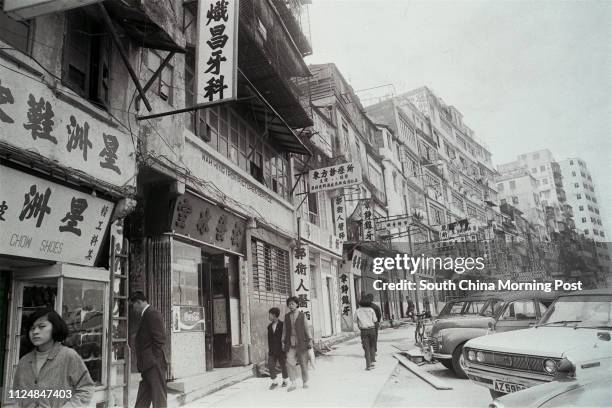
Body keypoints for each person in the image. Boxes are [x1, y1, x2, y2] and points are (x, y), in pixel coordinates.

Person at [10, 308, 94, 408]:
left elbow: (86, 388)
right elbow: (16, 395)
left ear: (55, 328)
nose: (35, 332)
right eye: (32, 328)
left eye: (42, 326)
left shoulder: (69, 356)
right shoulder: (24, 361)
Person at [130, 291, 168, 408]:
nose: (133, 309)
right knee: (143, 397)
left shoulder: (152, 313)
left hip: (153, 364)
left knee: (158, 398)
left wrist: (152, 359)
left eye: (133, 305)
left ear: (139, 302)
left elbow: (160, 339)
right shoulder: (147, 314)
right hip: (147, 365)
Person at [281, 296, 312, 391]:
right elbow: (284, 330)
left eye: (292, 304)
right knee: (290, 362)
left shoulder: (302, 315)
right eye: (289, 304)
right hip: (290, 342)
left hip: (301, 342)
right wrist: (283, 341)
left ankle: (305, 382)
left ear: (297, 304)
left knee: (303, 362)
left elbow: (307, 328)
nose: (290, 306)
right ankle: (293, 382)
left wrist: (310, 339)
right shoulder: (286, 316)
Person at [267, 307, 288, 389]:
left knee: (283, 365)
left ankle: (285, 380)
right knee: (270, 364)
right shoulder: (269, 327)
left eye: (270, 315)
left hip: (281, 349)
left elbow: (285, 337)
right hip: (272, 350)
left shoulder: (282, 325)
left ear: (274, 315)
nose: (269, 316)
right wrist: (269, 350)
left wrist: (285, 347)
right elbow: (269, 340)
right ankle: (274, 382)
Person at [354, 297, 378, 370]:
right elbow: (375, 320)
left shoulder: (357, 311)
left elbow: (355, 320)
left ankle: (368, 365)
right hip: (372, 329)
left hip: (364, 330)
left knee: (366, 348)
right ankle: (372, 361)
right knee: (372, 345)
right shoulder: (371, 310)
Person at [365, 293, 381, 362]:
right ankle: (374, 351)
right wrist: (378, 322)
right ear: (372, 299)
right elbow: (379, 315)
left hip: (366, 324)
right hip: (374, 324)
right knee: (374, 338)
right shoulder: (376, 306)